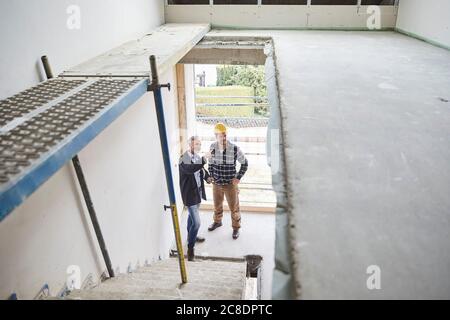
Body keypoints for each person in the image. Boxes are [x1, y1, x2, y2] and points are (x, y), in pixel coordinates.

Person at [207, 123, 248, 240]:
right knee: (217, 206)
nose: (223, 138)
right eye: (221, 136)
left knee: (234, 208)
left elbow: (245, 163)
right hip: (216, 184)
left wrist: (238, 177)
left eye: (225, 135)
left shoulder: (235, 149)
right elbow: (210, 163)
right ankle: (217, 221)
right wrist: (211, 175)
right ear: (216, 136)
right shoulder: (212, 147)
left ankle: (236, 228)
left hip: (230, 185)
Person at [179, 136, 212, 261]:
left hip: (197, 192)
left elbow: (201, 170)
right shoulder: (183, 159)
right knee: (197, 223)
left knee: (191, 218)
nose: (198, 146)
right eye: (195, 144)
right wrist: (204, 159)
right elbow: (191, 169)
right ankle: (190, 247)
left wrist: (207, 177)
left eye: (199, 144)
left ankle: (190, 237)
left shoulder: (197, 157)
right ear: (189, 145)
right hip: (189, 194)